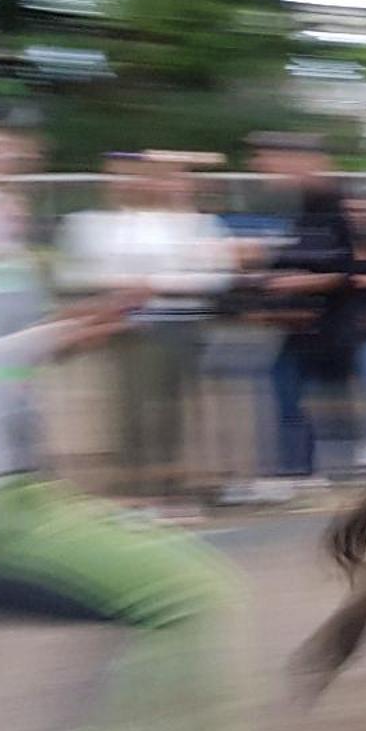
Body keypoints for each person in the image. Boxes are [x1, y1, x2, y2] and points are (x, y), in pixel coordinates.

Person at [0, 100, 245, 731]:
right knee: (188, 597)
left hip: (9, 488)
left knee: (187, 589)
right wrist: (56, 332)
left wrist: (70, 328)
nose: (1, 149)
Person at [55, 152, 236, 498]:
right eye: (118, 176)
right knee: (130, 408)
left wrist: (155, 284)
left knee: (172, 407)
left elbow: (214, 275)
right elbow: (71, 272)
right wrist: (119, 286)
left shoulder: (191, 223)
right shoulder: (92, 224)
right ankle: (137, 480)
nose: (129, 183)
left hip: (179, 323)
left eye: (135, 175)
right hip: (125, 326)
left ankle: (166, 478)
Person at [249, 132, 366, 477]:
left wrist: (297, 281)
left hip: (332, 329)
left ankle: (342, 472)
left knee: (331, 403)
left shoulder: (334, 205)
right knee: (291, 398)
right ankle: (298, 471)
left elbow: (345, 269)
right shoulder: (297, 206)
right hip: (299, 328)